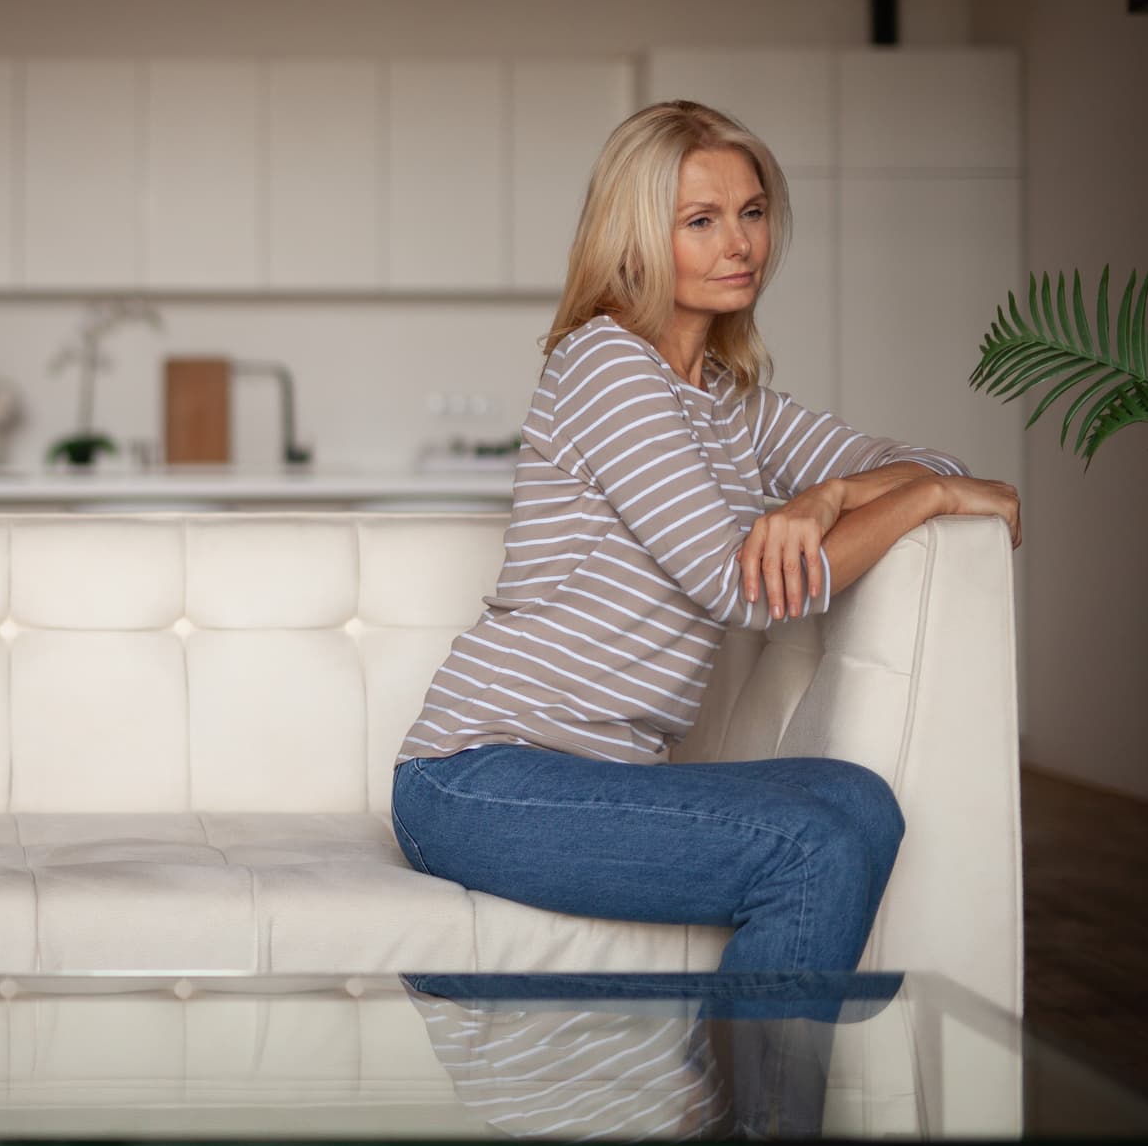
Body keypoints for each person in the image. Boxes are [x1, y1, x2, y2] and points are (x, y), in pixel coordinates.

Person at [389, 101, 1021, 986]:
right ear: (637, 238)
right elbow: (742, 588)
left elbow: (922, 460)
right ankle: (760, 1124)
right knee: (811, 844)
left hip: (603, 778)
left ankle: (748, 1096)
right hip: (481, 781)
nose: (740, 245)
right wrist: (924, 497)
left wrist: (831, 492)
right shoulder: (604, 362)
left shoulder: (729, 400)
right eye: (701, 221)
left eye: (752, 213)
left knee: (861, 804)